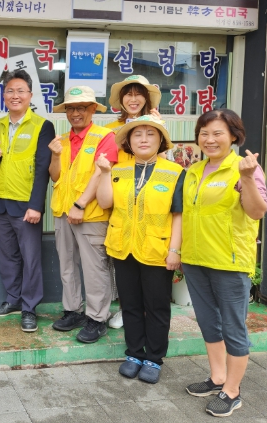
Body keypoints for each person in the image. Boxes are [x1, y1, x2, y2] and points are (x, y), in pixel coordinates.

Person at [181, 109, 267, 417]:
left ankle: (232, 391)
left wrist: (248, 178)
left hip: (229, 262)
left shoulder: (244, 168)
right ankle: (217, 378)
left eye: (218, 133)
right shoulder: (194, 170)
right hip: (195, 259)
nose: (209, 139)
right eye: (204, 133)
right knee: (208, 322)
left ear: (233, 136)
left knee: (233, 327)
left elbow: (257, 212)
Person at [95, 115, 184, 384]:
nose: (143, 139)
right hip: (123, 248)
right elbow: (104, 202)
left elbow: (178, 215)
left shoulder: (175, 172)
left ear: (161, 141)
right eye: (137, 134)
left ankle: (154, 358)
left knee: (157, 307)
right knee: (130, 304)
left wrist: (175, 250)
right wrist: (104, 173)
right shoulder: (118, 170)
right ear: (129, 142)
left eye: (150, 134)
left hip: (157, 250)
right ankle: (134, 353)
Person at [0, 69, 54, 332]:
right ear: (3, 95)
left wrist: (36, 205)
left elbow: (43, 168)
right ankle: (13, 299)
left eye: (20, 91)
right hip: (0, 202)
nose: (15, 96)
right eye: (10, 91)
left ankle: (29, 307)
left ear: (30, 95)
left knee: (30, 258)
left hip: (27, 205)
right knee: (7, 257)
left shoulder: (42, 126)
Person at [50, 86, 118, 343]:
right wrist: (55, 155)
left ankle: (97, 318)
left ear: (93, 109)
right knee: (66, 265)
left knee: (94, 268)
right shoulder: (62, 140)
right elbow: (55, 175)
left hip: (91, 213)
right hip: (62, 211)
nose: (75, 113)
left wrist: (80, 205)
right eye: (70, 108)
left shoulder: (105, 136)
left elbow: (101, 172)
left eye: (81, 107)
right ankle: (72, 311)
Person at [104, 75, 162, 329]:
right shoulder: (110, 129)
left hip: (151, 201)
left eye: (139, 94)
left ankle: (148, 310)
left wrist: (158, 125)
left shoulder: (157, 126)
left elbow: (167, 163)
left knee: (148, 257)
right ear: (121, 99)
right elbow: (104, 166)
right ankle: (125, 309)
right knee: (121, 257)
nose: (134, 99)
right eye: (129, 94)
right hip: (119, 199)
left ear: (147, 99)